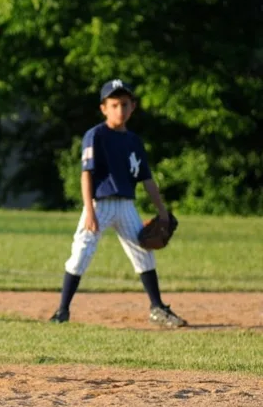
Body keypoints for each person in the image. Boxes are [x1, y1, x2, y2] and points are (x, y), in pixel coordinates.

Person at [50, 79, 186, 327]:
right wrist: (89, 211)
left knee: (143, 253)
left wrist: (162, 212)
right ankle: (62, 311)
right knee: (81, 252)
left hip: (126, 206)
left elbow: (147, 179)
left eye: (124, 104)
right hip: (99, 205)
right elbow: (86, 175)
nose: (120, 110)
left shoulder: (134, 141)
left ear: (132, 106)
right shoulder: (96, 136)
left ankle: (157, 307)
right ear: (104, 108)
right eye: (114, 104)